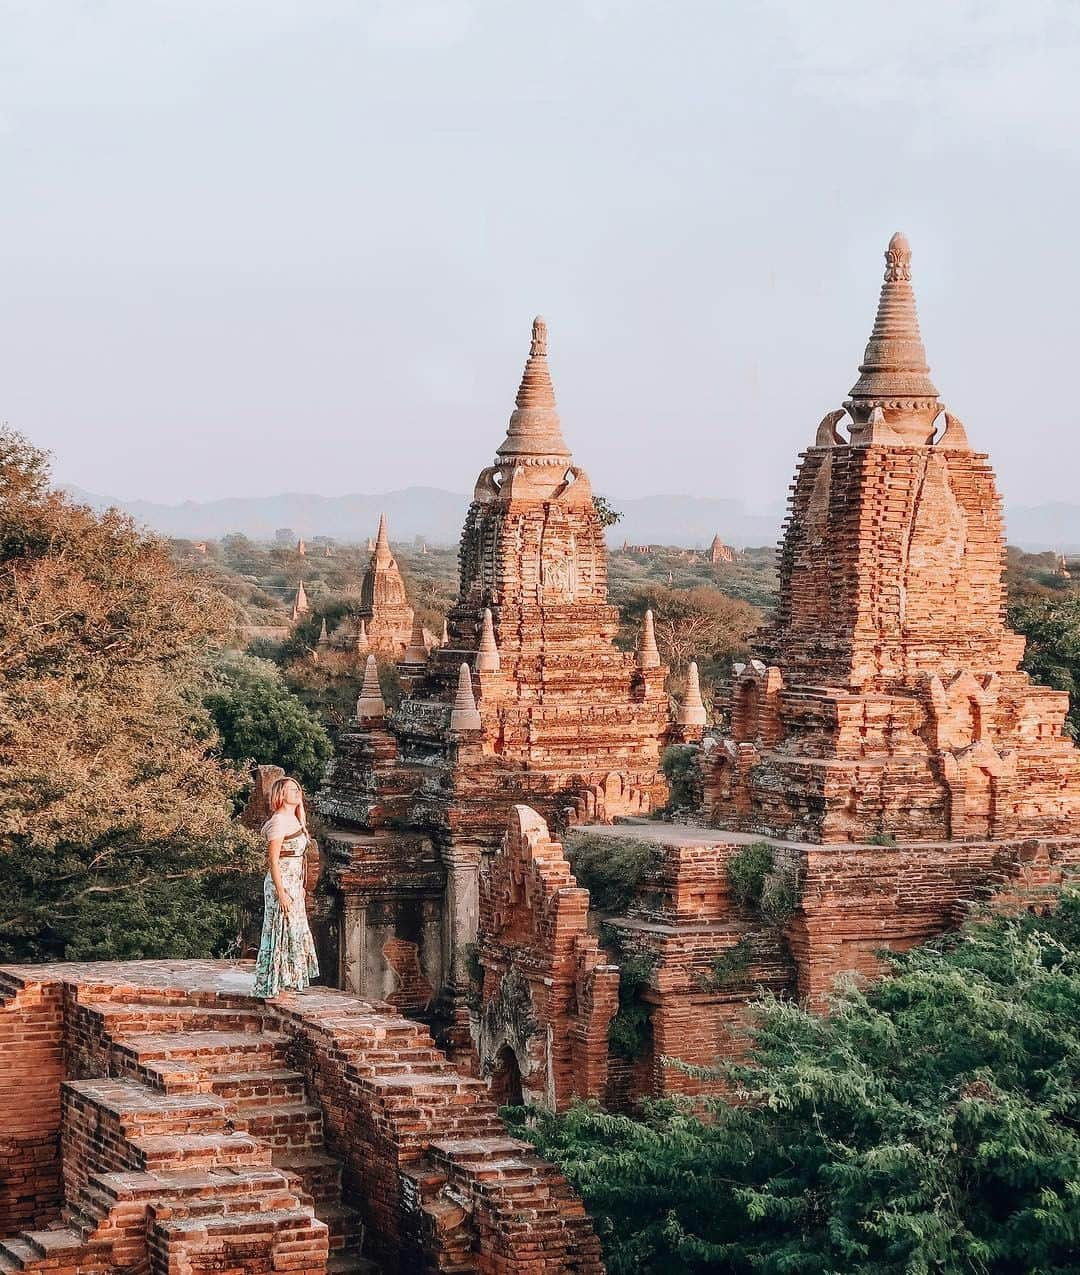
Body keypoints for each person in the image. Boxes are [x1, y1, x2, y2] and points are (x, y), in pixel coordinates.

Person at [252, 776, 319, 998]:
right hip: (280, 882)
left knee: (294, 931)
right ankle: (273, 983)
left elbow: (300, 857)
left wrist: (301, 885)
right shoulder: (279, 821)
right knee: (280, 930)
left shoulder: (297, 819)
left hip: (293, 882)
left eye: (297, 789)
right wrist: (281, 892)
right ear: (281, 795)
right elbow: (272, 860)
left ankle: (287, 981)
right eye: (291, 790)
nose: (297, 792)